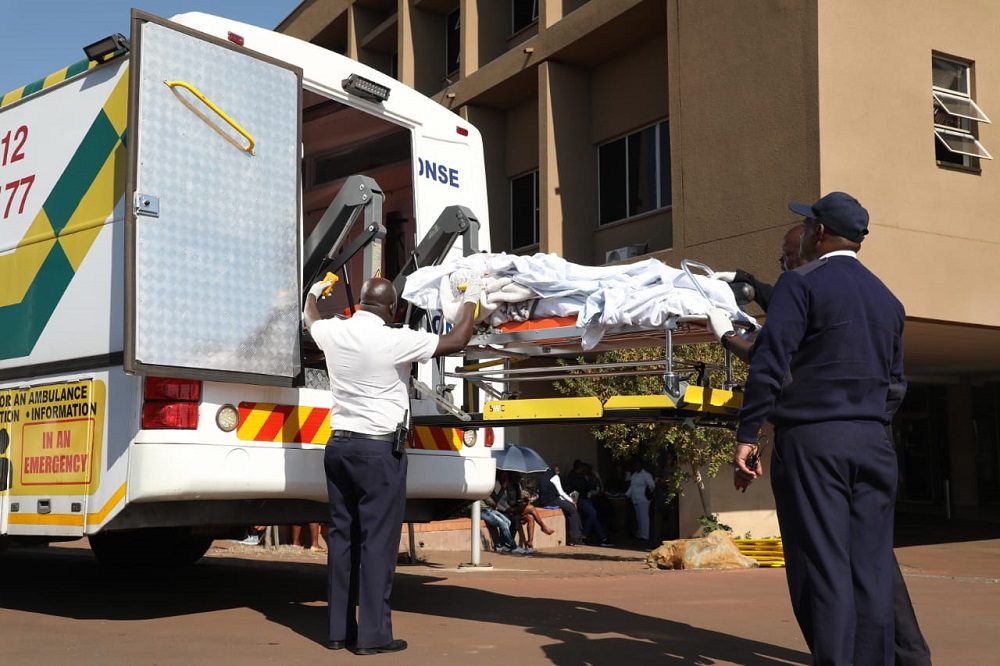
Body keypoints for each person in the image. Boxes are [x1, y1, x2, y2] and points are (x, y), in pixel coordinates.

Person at [706, 219, 931, 666]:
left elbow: (770, 360)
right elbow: (895, 383)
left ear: (819, 232)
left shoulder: (799, 285)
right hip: (873, 441)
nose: (789, 259)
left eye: (792, 249)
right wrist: (863, 422)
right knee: (871, 570)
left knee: (823, 568)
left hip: (815, 443)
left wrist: (747, 434)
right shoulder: (887, 298)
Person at [303, 274, 481, 655]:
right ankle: (373, 637)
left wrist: (316, 290)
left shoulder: (334, 332)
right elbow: (458, 339)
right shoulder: (396, 339)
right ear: (393, 308)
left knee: (342, 539)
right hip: (379, 453)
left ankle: (337, 632)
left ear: (362, 301)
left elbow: (310, 316)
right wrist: (472, 299)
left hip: (338, 447)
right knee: (377, 544)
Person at [564, 460, 611, 545]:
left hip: (584, 497)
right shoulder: (574, 477)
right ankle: (585, 534)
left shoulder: (581, 476)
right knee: (593, 513)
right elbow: (580, 488)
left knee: (594, 516)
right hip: (579, 499)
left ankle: (602, 537)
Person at [535, 465, 584, 546]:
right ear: (557, 471)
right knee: (572, 510)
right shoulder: (555, 477)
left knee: (568, 508)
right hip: (552, 500)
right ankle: (575, 537)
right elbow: (561, 492)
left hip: (543, 501)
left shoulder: (541, 477)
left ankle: (577, 534)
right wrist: (572, 501)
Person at [625, 462, 655, 543]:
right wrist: (627, 495)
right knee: (639, 518)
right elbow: (632, 486)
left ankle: (645, 536)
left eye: (638, 465)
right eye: (635, 465)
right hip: (635, 499)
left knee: (644, 517)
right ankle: (640, 534)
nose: (636, 466)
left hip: (644, 499)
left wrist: (648, 492)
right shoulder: (634, 475)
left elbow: (652, 485)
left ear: (641, 466)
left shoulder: (646, 475)